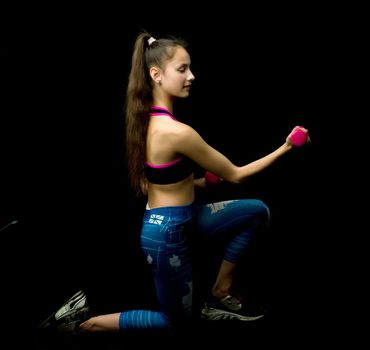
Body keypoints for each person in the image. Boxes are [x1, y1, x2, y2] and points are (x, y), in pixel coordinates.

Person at [41, 31, 310, 336]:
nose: (191, 76)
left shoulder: (145, 122)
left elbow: (152, 183)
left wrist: (196, 182)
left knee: (256, 211)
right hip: (168, 234)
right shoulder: (176, 132)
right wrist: (288, 147)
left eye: (189, 68)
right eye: (182, 69)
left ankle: (220, 292)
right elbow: (237, 175)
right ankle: (83, 323)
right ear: (156, 75)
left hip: (183, 219)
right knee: (176, 322)